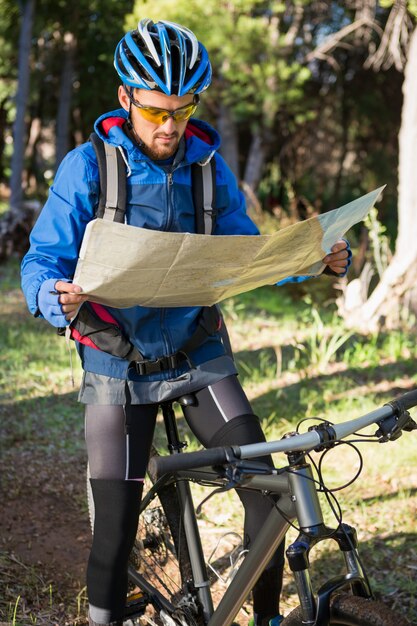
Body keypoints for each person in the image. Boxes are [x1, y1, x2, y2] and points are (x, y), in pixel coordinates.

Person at [21, 18, 351, 626]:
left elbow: (248, 252)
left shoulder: (207, 168)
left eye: (182, 109)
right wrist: (49, 293)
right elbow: (43, 257)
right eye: (154, 112)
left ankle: (264, 618)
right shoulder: (86, 166)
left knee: (267, 496)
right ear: (125, 99)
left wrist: (313, 259)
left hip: (198, 353)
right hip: (117, 361)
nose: (170, 126)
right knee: (115, 529)